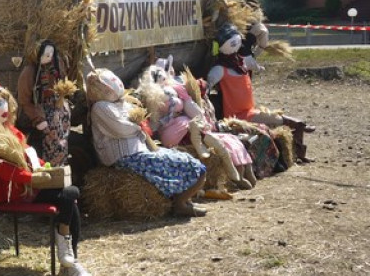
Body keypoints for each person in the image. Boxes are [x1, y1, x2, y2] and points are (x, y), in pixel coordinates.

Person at [0, 80, 94, 276]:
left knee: (70, 196)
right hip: (19, 193)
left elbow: (30, 158)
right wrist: (34, 178)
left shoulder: (14, 132)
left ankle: (69, 257)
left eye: (3, 103)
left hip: (35, 186)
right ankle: (70, 261)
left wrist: (46, 168)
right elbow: (4, 171)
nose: (2, 108)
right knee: (70, 195)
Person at [85, 68, 208, 217]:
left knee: (194, 164)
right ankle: (180, 204)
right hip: (125, 157)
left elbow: (135, 125)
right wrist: (139, 127)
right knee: (193, 167)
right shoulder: (101, 107)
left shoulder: (123, 103)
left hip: (140, 152)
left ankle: (183, 200)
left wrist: (140, 127)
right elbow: (122, 129)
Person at [206, 23, 313, 162]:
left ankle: (298, 149)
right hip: (239, 116)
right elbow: (207, 86)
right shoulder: (220, 69)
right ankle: (299, 146)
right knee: (289, 122)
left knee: (285, 122)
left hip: (250, 111)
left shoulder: (241, 63)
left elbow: (254, 61)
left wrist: (258, 64)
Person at [15, 39, 73, 168]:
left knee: (62, 128)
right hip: (39, 109)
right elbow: (24, 100)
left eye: (51, 54)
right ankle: (50, 165)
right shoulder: (29, 72)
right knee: (51, 129)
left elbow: (61, 84)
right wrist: (38, 118)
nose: (49, 57)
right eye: (46, 54)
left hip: (56, 107)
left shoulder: (55, 68)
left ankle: (60, 162)